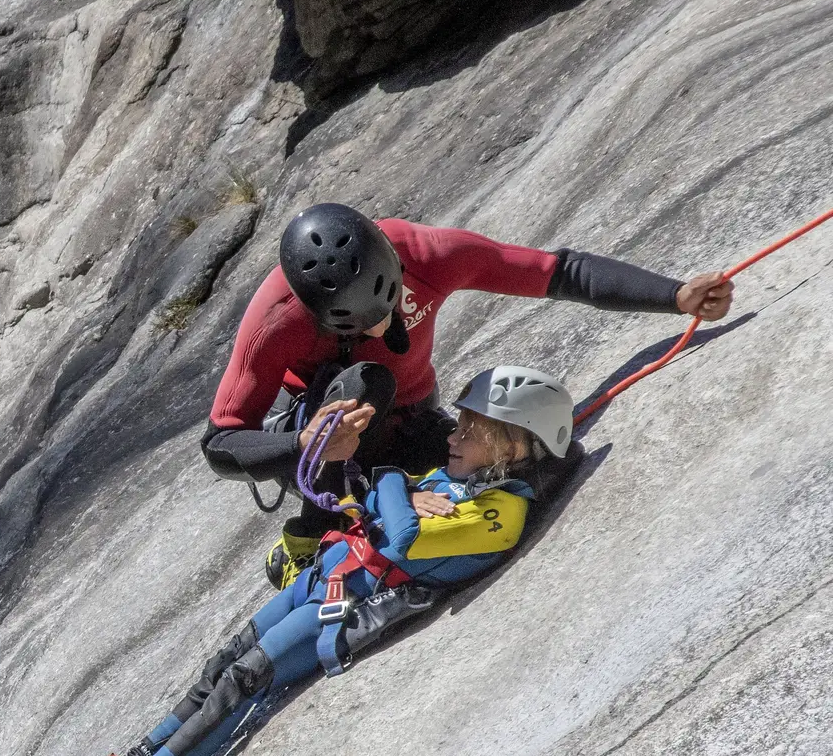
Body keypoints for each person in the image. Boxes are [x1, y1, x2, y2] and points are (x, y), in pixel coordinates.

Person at [57, 365, 574, 756]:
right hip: (327, 575)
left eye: (471, 430)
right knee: (221, 663)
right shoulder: (463, 483)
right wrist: (396, 493)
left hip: (344, 609)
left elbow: (401, 535)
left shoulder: (500, 514)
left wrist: (393, 482)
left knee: (245, 678)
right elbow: (381, 505)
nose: (453, 435)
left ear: (511, 444)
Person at [204, 204, 732, 587]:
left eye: (390, 310)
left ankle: (380, 490)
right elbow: (221, 441)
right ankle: (312, 530)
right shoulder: (276, 321)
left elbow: (557, 273)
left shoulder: (430, 253)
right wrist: (304, 443)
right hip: (324, 437)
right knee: (365, 381)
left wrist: (674, 295)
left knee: (530, 461)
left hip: (410, 415)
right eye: (362, 325)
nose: (385, 326)